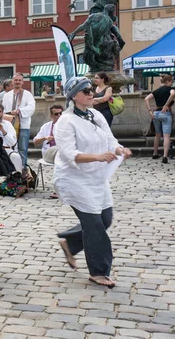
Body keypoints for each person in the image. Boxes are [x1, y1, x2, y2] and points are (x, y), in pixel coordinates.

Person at [54, 77, 131, 289]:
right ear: (73, 96)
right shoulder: (65, 122)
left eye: (91, 89)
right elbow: (69, 153)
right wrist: (98, 157)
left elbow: (110, 140)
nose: (91, 93)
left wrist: (118, 150)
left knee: (105, 218)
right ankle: (99, 271)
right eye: (86, 90)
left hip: (96, 178)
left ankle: (70, 243)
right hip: (73, 178)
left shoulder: (96, 115)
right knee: (95, 225)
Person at [2, 73, 35, 170]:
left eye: (19, 80)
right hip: (10, 125)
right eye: (15, 80)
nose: (17, 82)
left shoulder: (27, 94)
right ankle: (11, 170)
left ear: (22, 82)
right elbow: (3, 110)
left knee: (22, 149)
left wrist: (20, 111)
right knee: (9, 148)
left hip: (23, 125)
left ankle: (23, 171)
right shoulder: (7, 96)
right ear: (12, 81)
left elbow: (32, 107)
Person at [145, 74, 175, 164]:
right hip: (165, 114)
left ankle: (155, 153)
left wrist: (150, 111)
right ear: (168, 81)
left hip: (156, 114)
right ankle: (165, 156)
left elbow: (146, 99)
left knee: (157, 135)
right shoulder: (171, 89)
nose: (172, 83)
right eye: (171, 81)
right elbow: (173, 94)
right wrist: (166, 105)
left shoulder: (156, 90)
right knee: (166, 136)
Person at [0, 102, 22, 172]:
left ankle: (17, 179)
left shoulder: (7, 124)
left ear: (2, 112)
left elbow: (13, 143)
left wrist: (3, 131)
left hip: (5, 150)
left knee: (16, 157)